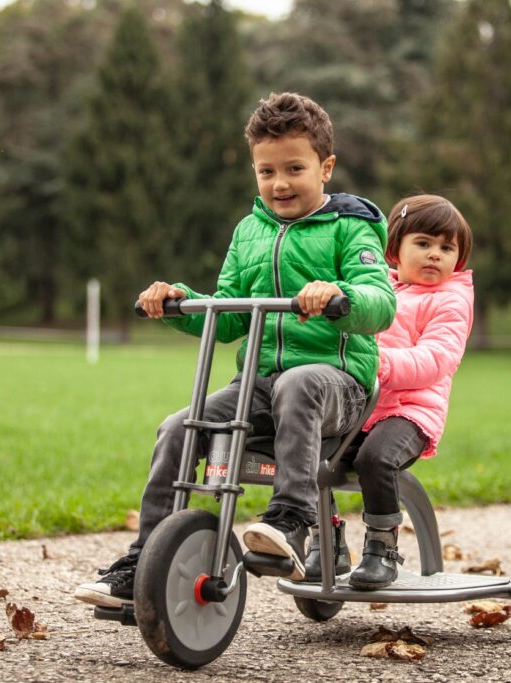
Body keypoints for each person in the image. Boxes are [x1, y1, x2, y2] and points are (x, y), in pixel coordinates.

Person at [74, 92, 395, 608]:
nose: (280, 183)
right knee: (179, 427)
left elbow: (380, 302)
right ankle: (145, 559)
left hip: (339, 388)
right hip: (262, 388)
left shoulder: (350, 226)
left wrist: (340, 297)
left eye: (295, 168)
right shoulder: (249, 231)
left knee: (299, 382)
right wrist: (180, 301)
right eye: (266, 171)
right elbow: (226, 316)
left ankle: (291, 520)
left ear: (326, 167)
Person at [304, 194, 474, 589]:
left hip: (411, 411)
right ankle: (326, 543)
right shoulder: (379, 291)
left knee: (376, 459)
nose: (435, 255)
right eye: (424, 243)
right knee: (309, 451)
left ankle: (382, 548)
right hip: (363, 407)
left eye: (447, 248)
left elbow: (438, 357)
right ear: (394, 248)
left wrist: (379, 366)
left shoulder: (450, 300)